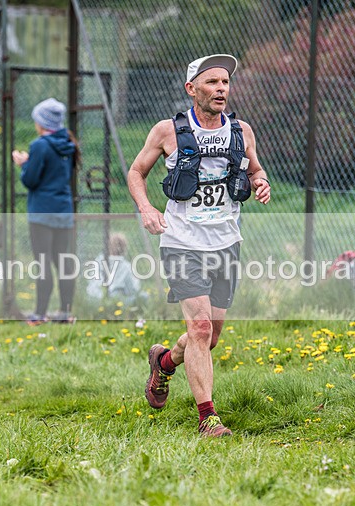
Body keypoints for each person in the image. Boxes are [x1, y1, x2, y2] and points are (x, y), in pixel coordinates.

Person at [127, 54, 271, 437]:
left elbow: (255, 168)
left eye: (224, 82)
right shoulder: (167, 131)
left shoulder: (242, 131)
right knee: (201, 328)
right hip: (181, 242)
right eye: (212, 83)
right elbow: (136, 172)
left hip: (226, 242)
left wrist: (260, 182)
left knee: (209, 336)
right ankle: (208, 418)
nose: (220, 89)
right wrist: (146, 208)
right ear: (192, 89)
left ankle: (164, 362)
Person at [12, 98, 78, 325]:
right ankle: (65, 312)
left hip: (42, 212)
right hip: (63, 210)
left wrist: (23, 165)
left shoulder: (40, 145)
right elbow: (56, 171)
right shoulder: (67, 143)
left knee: (42, 262)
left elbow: (31, 180)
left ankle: (39, 314)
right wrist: (33, 161)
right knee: (63, 262)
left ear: (42, 122)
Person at [86, 233, 145, 305]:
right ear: (124, 247)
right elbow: (132, 289)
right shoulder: (126, 266)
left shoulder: (98, 260)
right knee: (144, 296)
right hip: (115, 300)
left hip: (94, 298)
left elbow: (91, 280)